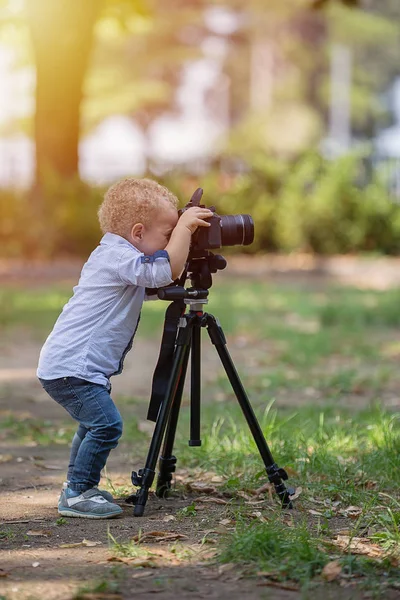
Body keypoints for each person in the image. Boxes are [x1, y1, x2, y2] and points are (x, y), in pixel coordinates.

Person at [37, 177, 213, 519]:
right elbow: (165, 270)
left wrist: (178, 238)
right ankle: (75, 494)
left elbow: (158, 281)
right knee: (107, 425)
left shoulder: (119, 256)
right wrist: (186, 230)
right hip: (72, 367)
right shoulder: (118, 256)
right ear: (137, 233)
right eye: (167, 234)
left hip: (72, 366)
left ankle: (79, 486)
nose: (171, 242)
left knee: (93, 425)